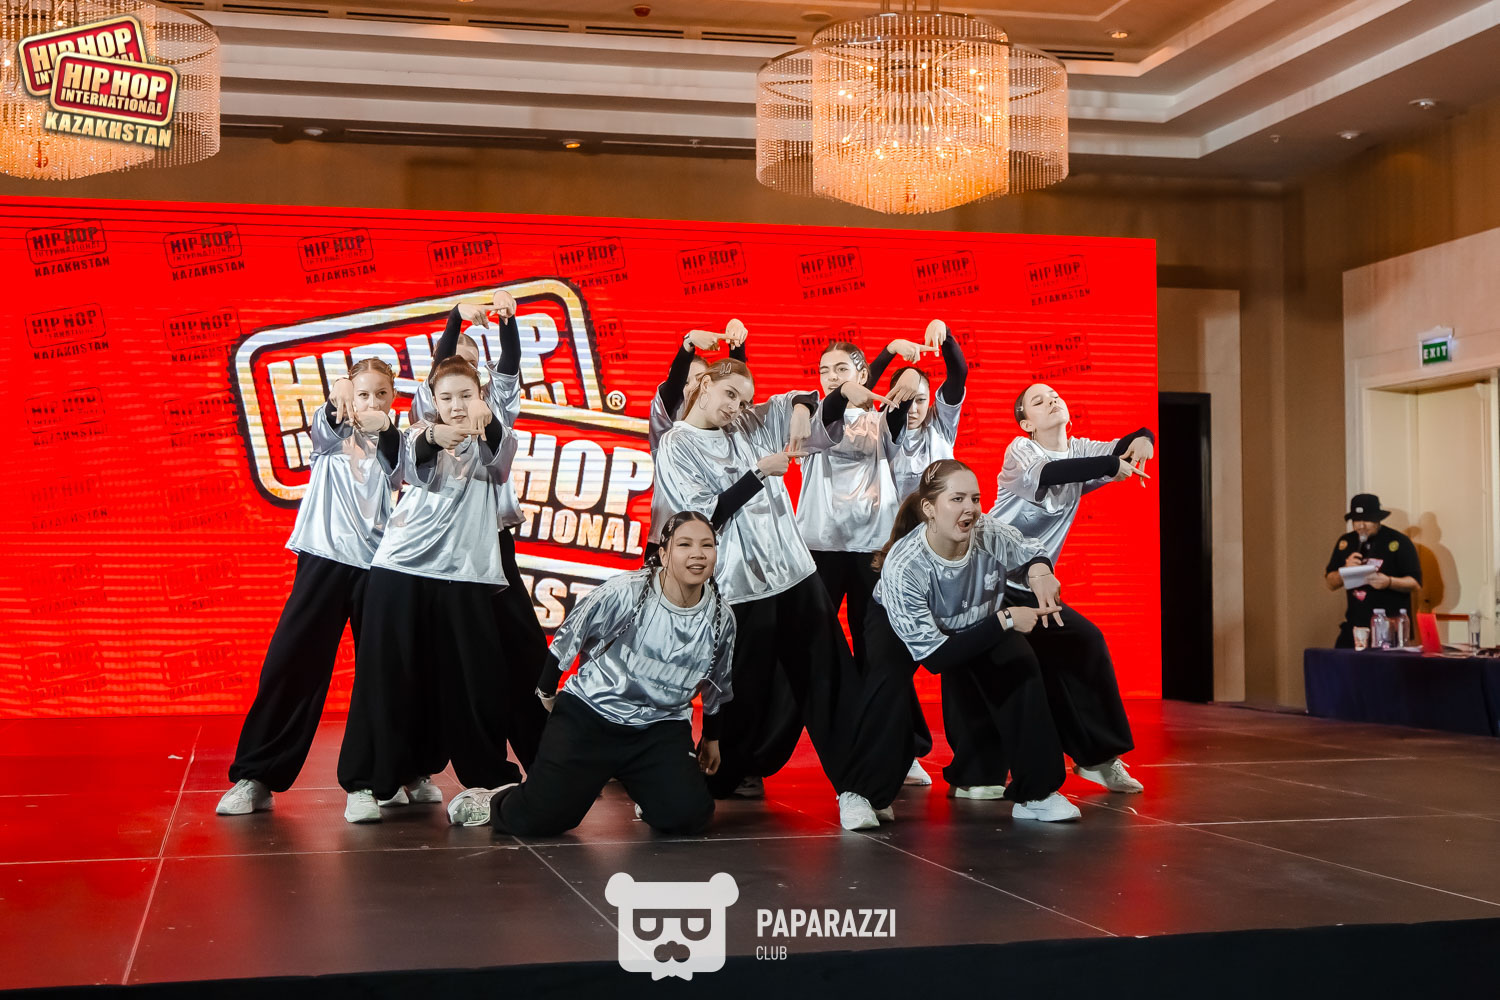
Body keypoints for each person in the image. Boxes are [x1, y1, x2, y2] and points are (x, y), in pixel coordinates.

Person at [652, 355, 889, 827]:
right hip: (739, 585)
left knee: (829, 678)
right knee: (741, 696)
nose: (735, 407)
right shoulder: (677, 444)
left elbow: (800, 400)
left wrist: (813, 404)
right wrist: (758, 474)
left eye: (744, 399)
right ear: (704, 386)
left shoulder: (748, 422)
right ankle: (708, 780)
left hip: (795, 571)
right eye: (729, 394)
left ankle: (857, 788)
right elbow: (703, 517)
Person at [445, 511, 735, 835]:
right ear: (664, 555)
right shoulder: (626, 592)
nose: (698, 554)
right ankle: (496, 800)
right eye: (685, 544)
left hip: (659, 726)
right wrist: (547, 691)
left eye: (706, 545)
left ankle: (652, 793)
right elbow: (570, 635)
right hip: (592, 716)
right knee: (539, 819)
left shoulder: (721, 618)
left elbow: (717, 684)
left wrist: (712, 737)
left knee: (689, 817)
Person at [335, 357, 523, 823]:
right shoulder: (418, 433)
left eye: (466, 395)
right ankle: (364, 782)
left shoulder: (496, 436)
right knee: (386, 676)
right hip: (401, 568)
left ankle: (485, 779)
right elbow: (412, 467)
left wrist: (488, 422)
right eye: (447, 397)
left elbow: (499, 467)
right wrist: (435, 436)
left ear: (481, 396)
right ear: (433, 401)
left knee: (473, 681)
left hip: (466, 574)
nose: (457, 405)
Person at [216, 359, 402, 816]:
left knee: (381, 673)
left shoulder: (398, 441)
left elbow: (404, 469)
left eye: (381, 394)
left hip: (378, 566)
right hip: (323, 557)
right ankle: (256, 776)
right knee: (292, 662)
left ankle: (370, 782)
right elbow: (329, 419)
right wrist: (339, 390)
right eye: (363, 393)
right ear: (349, 395)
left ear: (393, 398)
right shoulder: (330, 432)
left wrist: (386, 428)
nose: (372, 402)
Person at [854, 458, 1080, 824]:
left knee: (1020, 665)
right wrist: (1007, 619)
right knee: (887, 682)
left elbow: (1029, 549)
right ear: (930, 508)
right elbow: (936, 658)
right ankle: (863, 794)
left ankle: (1037, 792)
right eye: (957, 499)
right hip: (901, 624)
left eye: (975, 498)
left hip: (972, 615)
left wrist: (1040, 572)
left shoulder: (986, 532)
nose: (970, 508)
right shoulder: (905, 564)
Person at [988, 382, 1151, 795]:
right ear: (1026, 423)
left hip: (1035, 583)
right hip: (988, 580)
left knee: (1085, 641)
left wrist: (1145, 440)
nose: (1051, 401)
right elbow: (1050, 473)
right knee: (1021, 666)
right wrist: (1110, 465)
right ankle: (996, 769)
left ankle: (1097, 758)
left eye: (1054, 396)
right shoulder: (1021, 450)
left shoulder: (1080, 450)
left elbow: (1130, 441)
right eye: (1038, 401)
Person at [645, 320, 748, 561]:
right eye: (685, 380)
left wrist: (737, 345)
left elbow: (735, 389)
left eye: (700, 379)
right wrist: (688, 344)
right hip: (667, 541)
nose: (692, 386)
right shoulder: (666, 423)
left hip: (716, 543)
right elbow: (672, 388)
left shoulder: (724, 425)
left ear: (709, 385)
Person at [866, 319, 968, 502]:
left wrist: (945, 332)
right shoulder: (877, 425)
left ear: (930, 400)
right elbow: (858, 392)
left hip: (940, 518)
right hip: (892, 519)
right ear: (890, 397)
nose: (912, 410)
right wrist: (891, 349)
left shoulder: (940, 424)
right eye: (905, 399)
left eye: (920, 400)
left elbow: (958, 373)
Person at [1323, 493, 1422, 647]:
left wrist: (1389, 582)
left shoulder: (1398, 541)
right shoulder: (1346, 542)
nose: (1361, 526)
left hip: (1390, 627)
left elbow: (1415, 583)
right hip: (1355, 627)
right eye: (1356, 521)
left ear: (1378, 519)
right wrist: (1344, 570)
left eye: (1367, 520)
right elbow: (1330, 583)